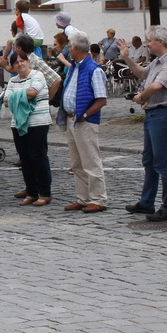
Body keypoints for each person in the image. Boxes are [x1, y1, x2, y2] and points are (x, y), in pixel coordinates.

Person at [120, 26, 167, 222]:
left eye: (150, 41)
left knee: (163, 162)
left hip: (163, 114)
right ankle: (147, 202)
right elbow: (142, 74)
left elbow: (156, 86)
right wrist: (126, 57)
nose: (147, 44)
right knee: (149, 160)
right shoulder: (158, 61)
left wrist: (141, 96)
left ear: (160, 42)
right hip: (153, 114)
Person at [57, 33, 108, 212]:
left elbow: (101, 99)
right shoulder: (75, 67)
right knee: (77, 163)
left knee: (91, 161)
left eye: (70, 47)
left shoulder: (94, 69)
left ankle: (98, 199)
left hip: (84, 120)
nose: (68, 50)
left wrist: (85, 115)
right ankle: (83, 198)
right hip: (73, 119)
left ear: (77, 49)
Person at [5, 52, 52, 207]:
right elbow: (6, 100)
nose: (20, 64)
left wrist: (15, 97)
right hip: (18, 123)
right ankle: (31, 192)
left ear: (27, 61)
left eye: (22, 60)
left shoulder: (37, 75)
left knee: (38, 157)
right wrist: (21, 96)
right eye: (16, 62)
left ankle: (45, 192)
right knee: (25, 159)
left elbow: (33, 92)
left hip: (38, 122)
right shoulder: (12, 81)